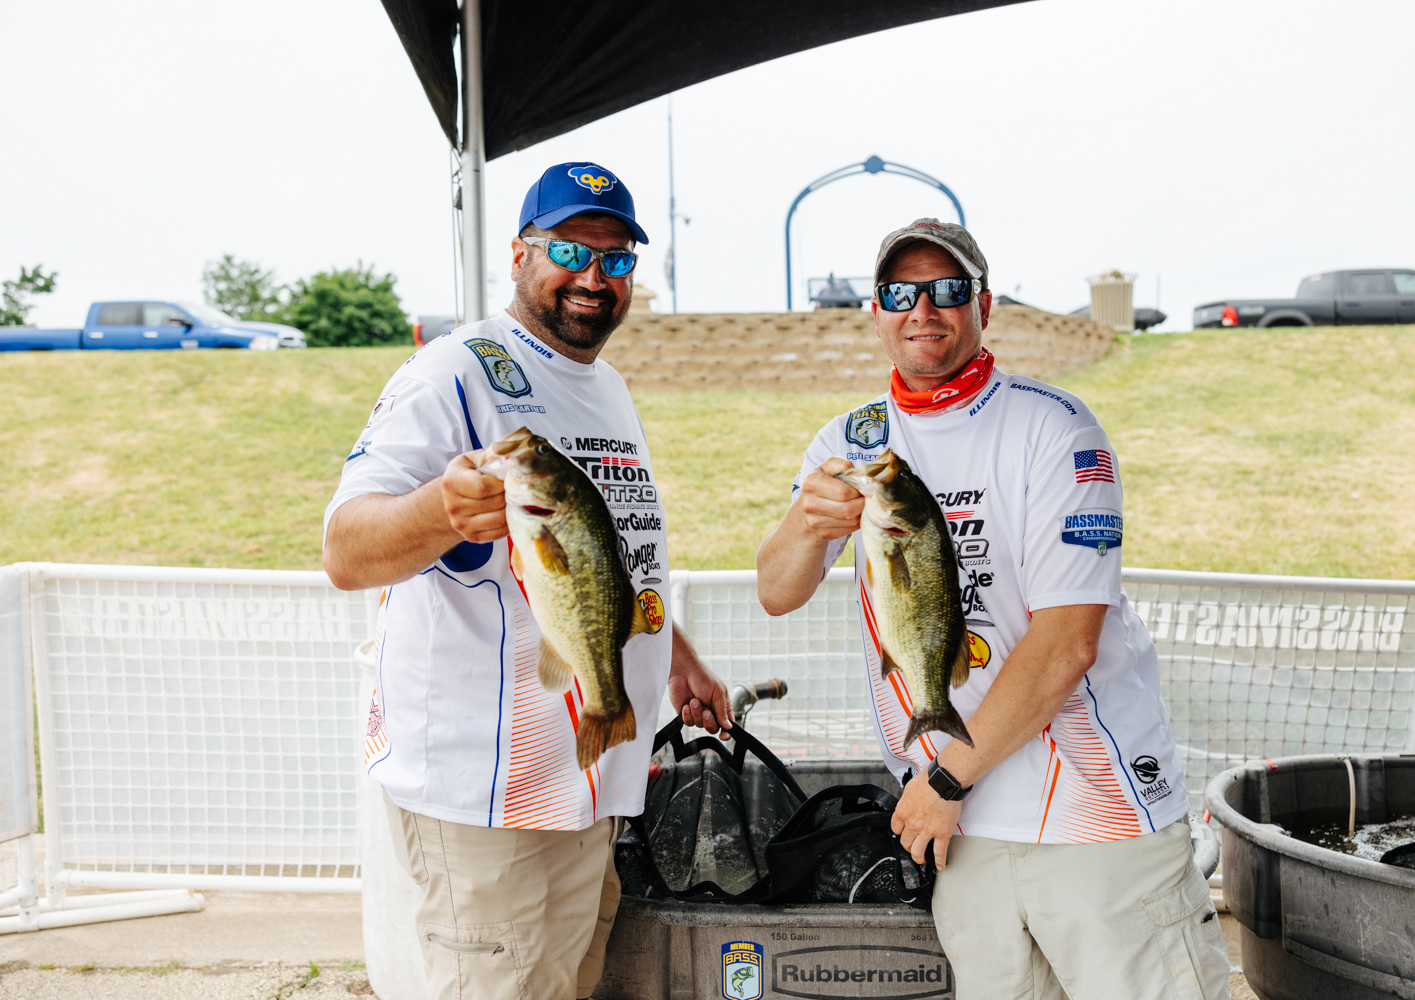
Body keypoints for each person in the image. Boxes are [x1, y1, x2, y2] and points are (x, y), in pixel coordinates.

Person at [756, 219, 1230, 999]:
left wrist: (945, 781)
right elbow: (777, 592)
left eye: (946, 290)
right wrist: (806, 526)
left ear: (982, 306)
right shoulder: (849, 440)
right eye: (899, 294)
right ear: (875, 312)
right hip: (962, 833)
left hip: (1091, 818)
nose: (922, 310)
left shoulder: (1055, 428)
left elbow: (1067, 643)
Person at [323, 161, 733, 1000]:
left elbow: (601, 558)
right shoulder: (452, 371)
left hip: (588, 778)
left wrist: (674, 653)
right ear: (518, 254)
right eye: (570, 251)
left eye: (615, 259)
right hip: (488, 797)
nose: (594, 277)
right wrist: (439, 508)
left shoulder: (604, 384)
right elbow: (345, 550)